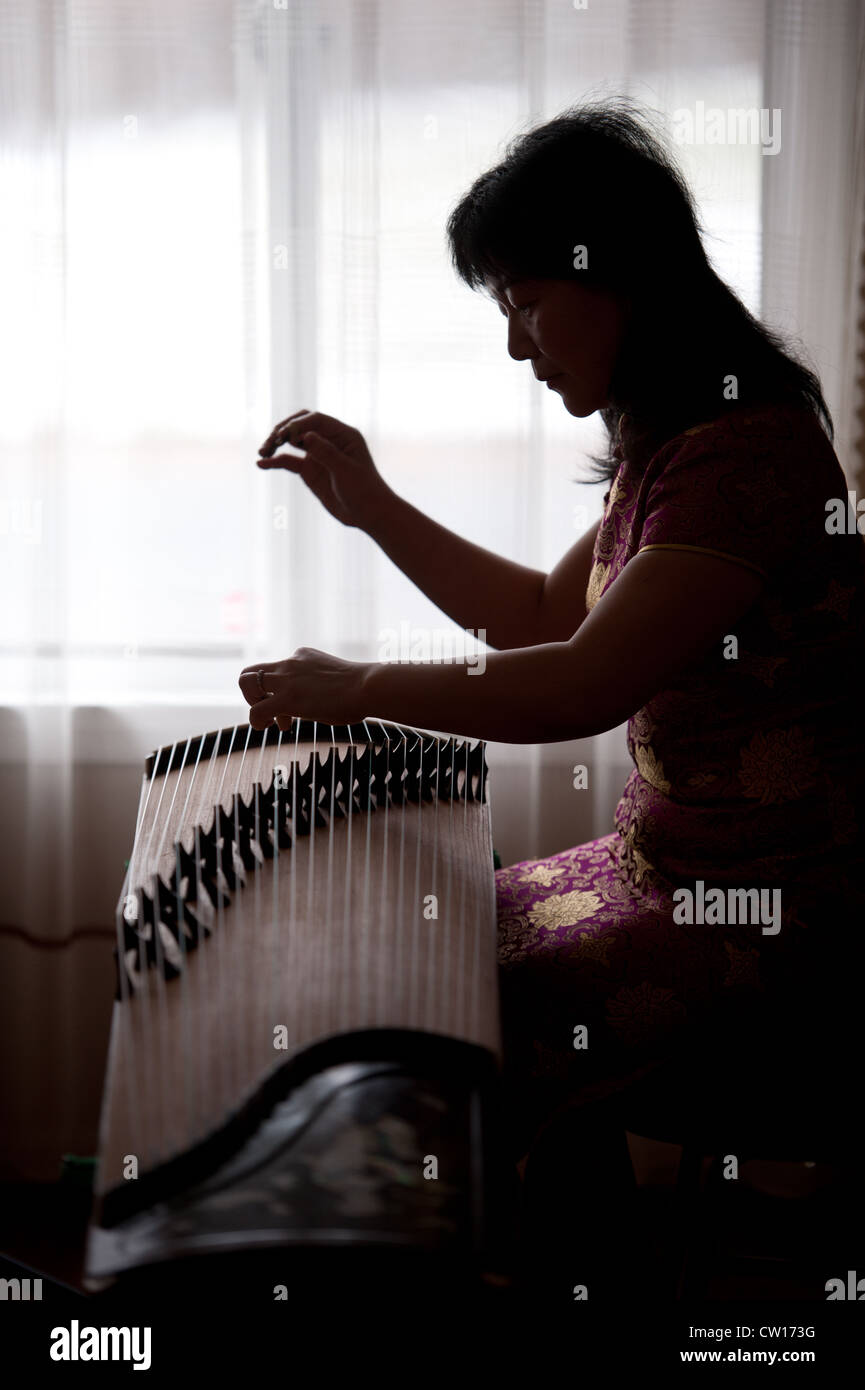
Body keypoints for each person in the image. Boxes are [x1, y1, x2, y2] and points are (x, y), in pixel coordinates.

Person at [240, 99, 865, 1299]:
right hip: (666, 867)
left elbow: (583, 680)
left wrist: (356, 684)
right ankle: (571, 1260)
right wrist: (373, 506)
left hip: (777, 909)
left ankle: (511, 1282)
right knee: (422, 957)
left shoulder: (751, 454)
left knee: (436, 1022)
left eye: (526, 299)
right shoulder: (673, 447)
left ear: (618, 273)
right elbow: (542, 613)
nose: (519, 344)